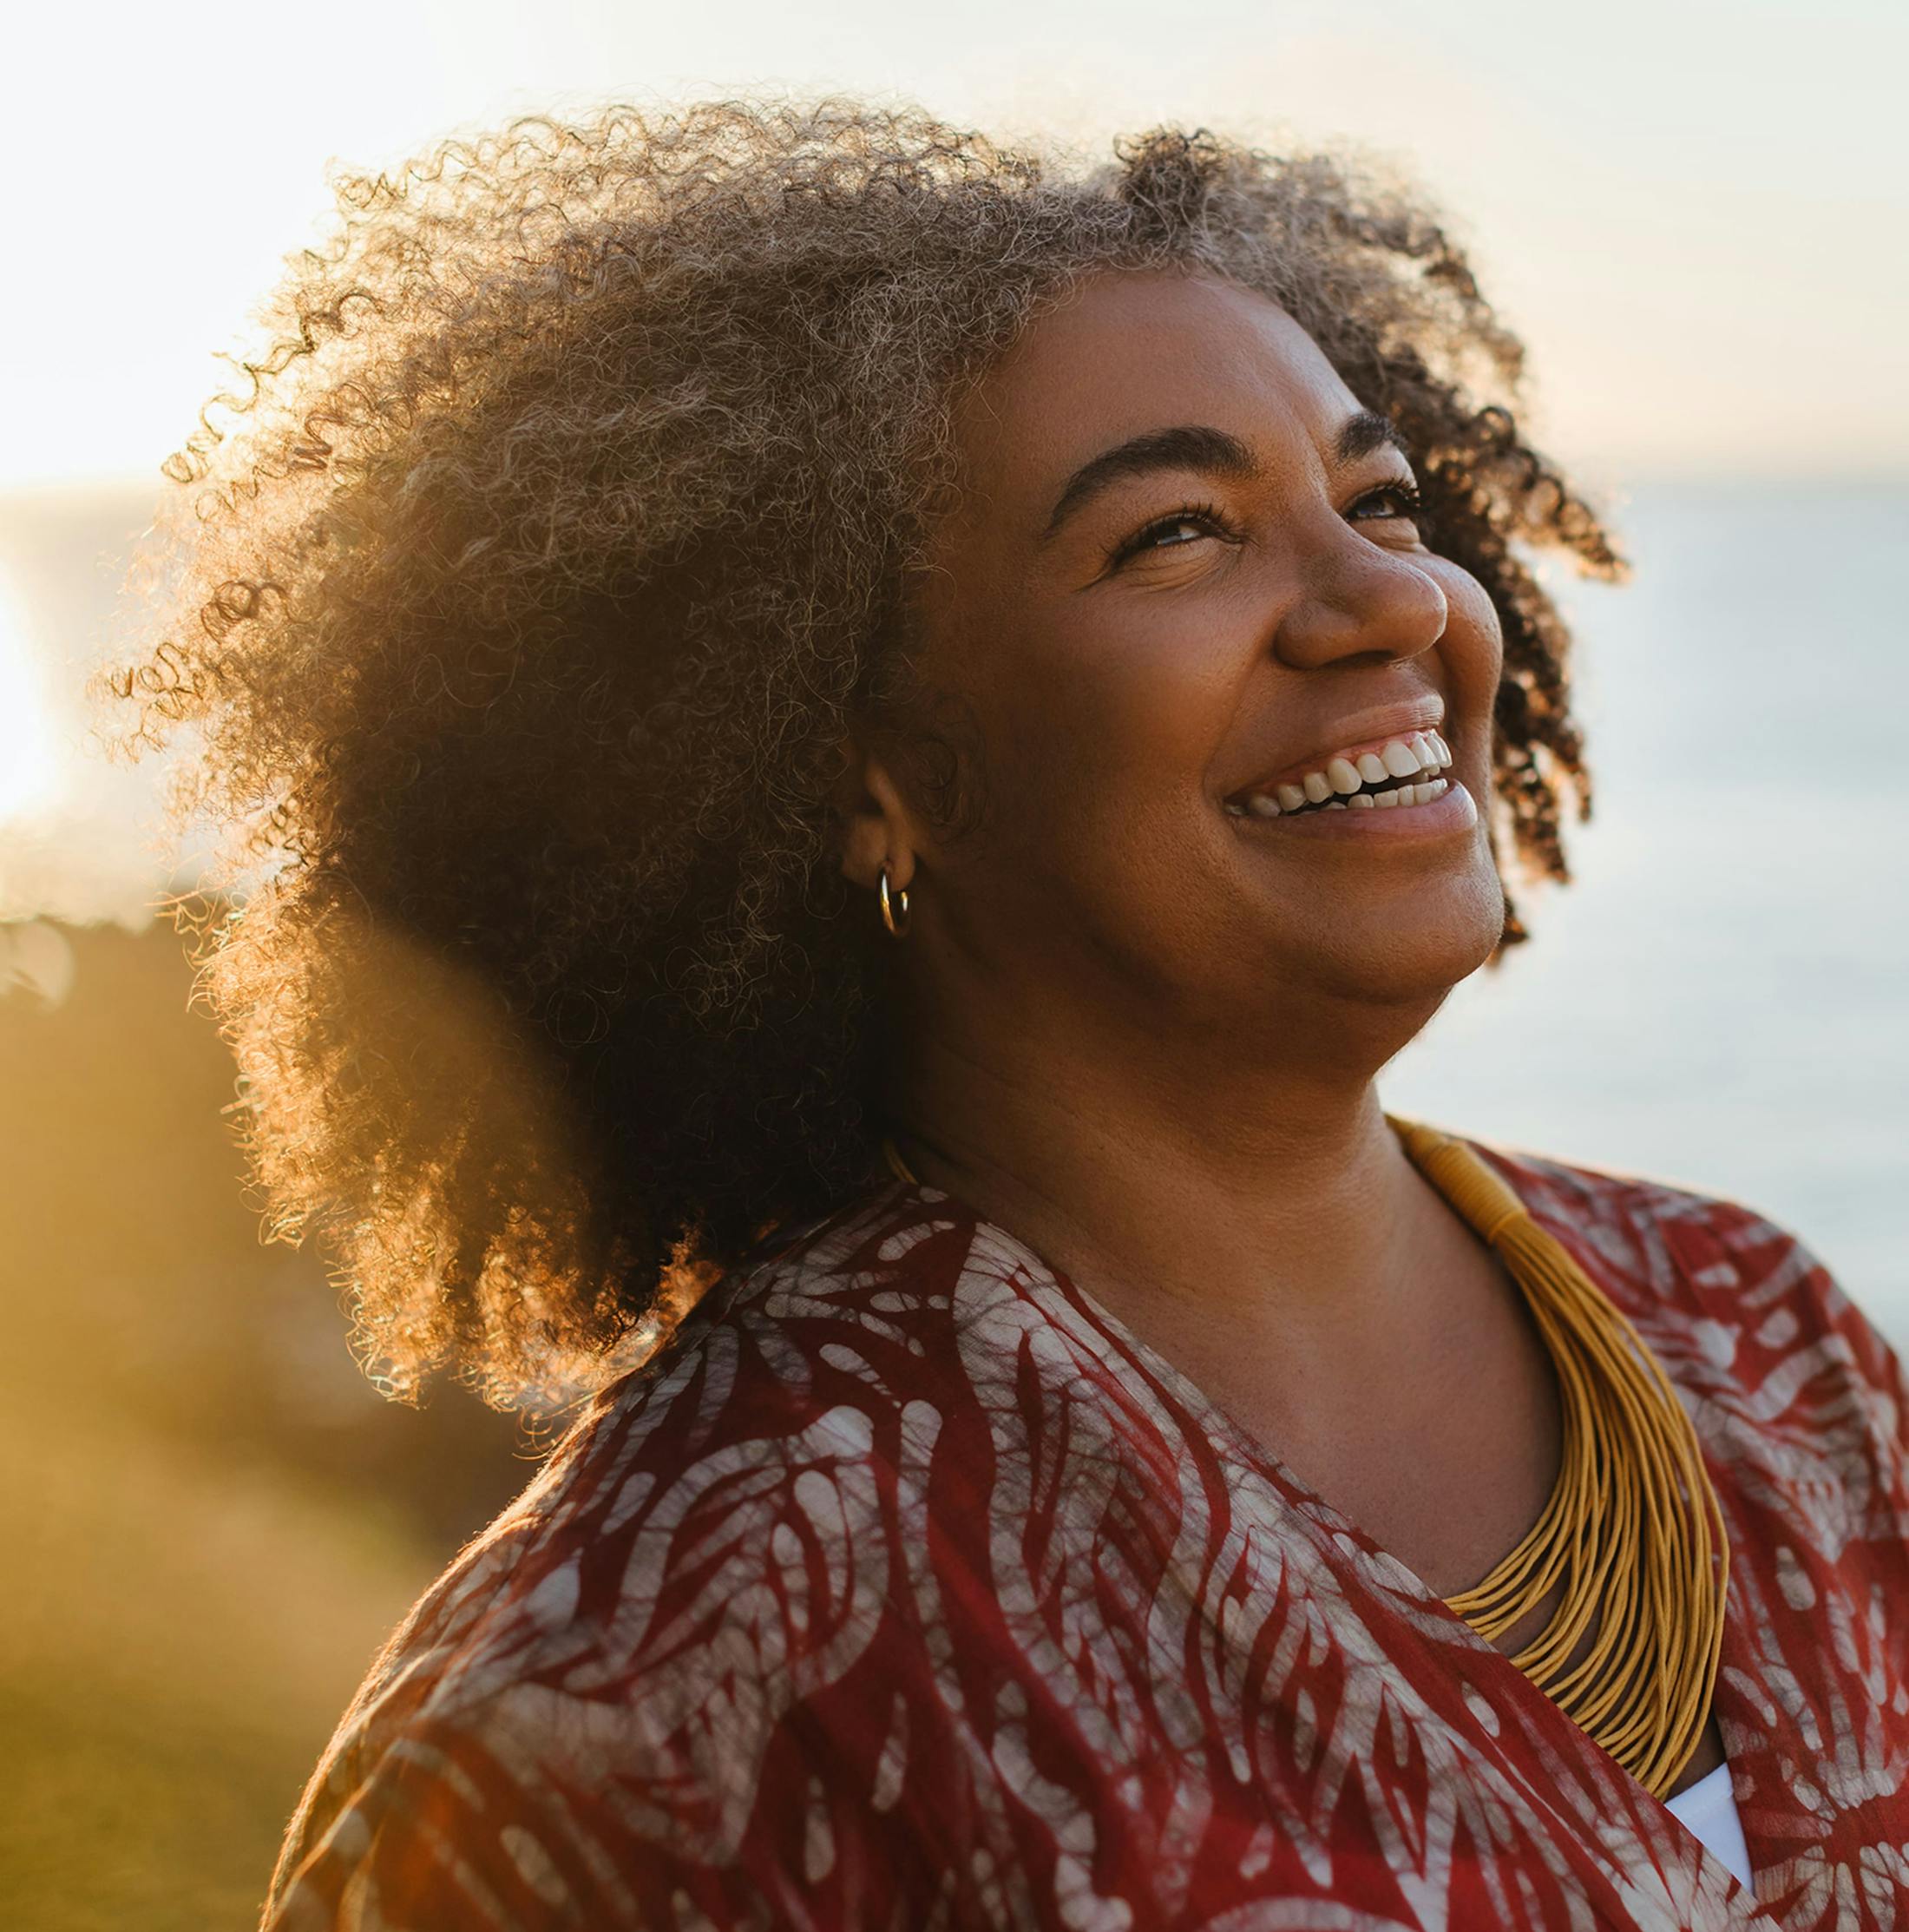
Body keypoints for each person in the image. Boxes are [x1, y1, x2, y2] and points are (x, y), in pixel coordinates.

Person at [102, 98, 1909, 1930]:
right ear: (858, 763)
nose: (1387, 600)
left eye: (1378, 502)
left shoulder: (1763, 1344)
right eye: (1175, 537)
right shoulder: (656, 1686)